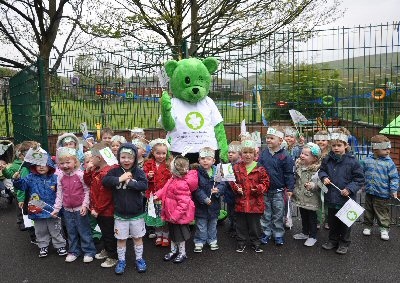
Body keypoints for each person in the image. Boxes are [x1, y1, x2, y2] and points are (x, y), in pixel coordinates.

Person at [102, 143, 148, 275]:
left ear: (134, 159)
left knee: (137, 238)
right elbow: (106, 182)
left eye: (129, 157)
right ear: (118, 157)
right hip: (120, 214)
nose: (126, 160)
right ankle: (121, 260)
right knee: (121, 239)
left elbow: (144, 185)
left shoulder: (138, 172)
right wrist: (120, 179)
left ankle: (139, 259)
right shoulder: (114, 171)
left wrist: (131, 183)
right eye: (123, 157)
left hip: (137, 214)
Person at [319, 127, 364, 255]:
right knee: (332, 222)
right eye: (333, 145)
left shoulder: (352, 161)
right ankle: (332, 240)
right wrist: (324, 177)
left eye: (339, 145)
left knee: (345, 223)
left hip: (345, 199)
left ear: (346, 145)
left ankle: (344, 243)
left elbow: (359, 179)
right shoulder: (327, 159)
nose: (336, 148)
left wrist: (350, 189)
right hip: (332, 198)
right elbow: (322, 170)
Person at [13, 155, 67, 258]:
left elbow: (62, 192)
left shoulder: (55, 178)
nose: (41, 167)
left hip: (52, 209)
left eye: (44, 165)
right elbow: (22, 186)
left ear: (49, 165)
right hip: (37, 208)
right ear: (34, 166)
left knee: (55, 229)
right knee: (40, 230)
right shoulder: (30, 177)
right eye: (38, 165)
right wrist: (17, 180)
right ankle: (43, 246)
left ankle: (60, 245)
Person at [51, 147, 97, 263]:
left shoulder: (80, 175)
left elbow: (87, 191)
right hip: (67, 210)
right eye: (62, 163)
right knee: (71, 231)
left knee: (84, 230)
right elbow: (60, 193)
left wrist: (85, 205)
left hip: (80, 208)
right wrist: (57, 208)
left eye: (68, 162)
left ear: (75, 162)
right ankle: (73, 251)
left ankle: (89, 251)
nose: (65, 165)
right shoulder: (60, 177)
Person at [154, 155, 198, 263]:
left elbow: (184, 203)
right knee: (173, 234)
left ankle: (182, 253)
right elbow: (165, 189)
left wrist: (175, 216)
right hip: (171, 213)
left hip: (177, 216)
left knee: (180, 236)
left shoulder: (181, 184)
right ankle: (174, 251)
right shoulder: (173, 179)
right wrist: (157, 195)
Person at [230, 139, 269, 252]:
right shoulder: (236, 167)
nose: (247, 155)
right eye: (245, 152)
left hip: (255, 203)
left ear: (255, 154)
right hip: (241, 202)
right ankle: (241, 242)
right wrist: (236, 188)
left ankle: (256, 242)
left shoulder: (260, 168)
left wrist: (257, 189)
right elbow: (232, 181)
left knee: (255, 226)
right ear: (241, 154)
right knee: (240, 225)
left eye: (250, 152)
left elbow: (265, 183)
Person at [84, 143, 119, 268]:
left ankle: (113, 256)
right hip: (99, 210)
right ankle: (107, 250)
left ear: (99, 158)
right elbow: (88, 183)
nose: (90, 160)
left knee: (109, 234)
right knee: (104, 232)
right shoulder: (97, 170)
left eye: (92, 157)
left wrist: (97, 209)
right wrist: (88, 172)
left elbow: (106, 196)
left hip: (106, 211)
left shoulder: (106, 173)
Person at [258, 127, 294, 246]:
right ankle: (266, 232)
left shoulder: (285, 156)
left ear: (280, 140)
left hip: (279, 191)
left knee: (278, 213)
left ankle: (278, 234)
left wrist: (289, 188)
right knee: (265, 213)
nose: (268, 140)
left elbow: (289, 173)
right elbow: (259, 169)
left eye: (271, 138)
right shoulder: (264, 154)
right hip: (265, 190)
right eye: (267, 138)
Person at [361, 134, 399, 241]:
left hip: (382, 193)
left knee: (382, 212)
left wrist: (394, 189)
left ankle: (384, 229)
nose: (388, 151)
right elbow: (361, 173)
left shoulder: (389, 163)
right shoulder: (367, 160)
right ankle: (367, 226)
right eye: (385, 148)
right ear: (375, 149)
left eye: (389, 148)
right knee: (368, 210)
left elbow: (394, 178)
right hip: (369, 191)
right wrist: (361, 184)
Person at [2, 141, 38, 243]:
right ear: (21, 155)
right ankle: (33, 236)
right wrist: (21, 198)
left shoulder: (34, 165)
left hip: (34, 195)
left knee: (36, 213)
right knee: (28, 214)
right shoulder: (21, 167)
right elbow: (21, 186)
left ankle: (39, 234)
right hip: (24, 195)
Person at [193, 147, 225, 253]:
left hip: (214, 204)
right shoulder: (196, 173)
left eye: (208, 158)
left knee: (213, 224)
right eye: (202, 158)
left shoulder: (217, 172)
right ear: (199, 160)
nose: (205, 161)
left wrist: (218, 190)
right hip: (201, 204)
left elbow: (222, 184)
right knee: (201, 224)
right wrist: (204, 198)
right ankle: (199, 241)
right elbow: (196, 188)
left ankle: (212, 240)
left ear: (213, 161)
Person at [291, 142, 322, 247]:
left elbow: (320, 183)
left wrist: (313, 185)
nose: (302, 155)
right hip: (300, 195)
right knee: (303, 215)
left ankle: (313, 236)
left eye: (306, 154)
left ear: (314, 158)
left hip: (311, 197)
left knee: (312, 218)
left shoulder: (317, 170)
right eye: (302, 153)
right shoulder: (299, 165)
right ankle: (305, 232)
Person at [143, 139, 172, 247]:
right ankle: (158, 234)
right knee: (155, 216)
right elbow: (143, 177)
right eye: (158, 153)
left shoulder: (169, 164)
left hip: (164, 196)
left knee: (164, 217)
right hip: (152, 195)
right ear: (153, 153)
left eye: (163, 153)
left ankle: (165, 235)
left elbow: (171, 180)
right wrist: (147, 176)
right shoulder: (148, 163)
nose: (161, 156)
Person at [314, 130, 331, 229]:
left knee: (328, 202)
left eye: (324, 140)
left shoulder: (330, 153)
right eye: (318, 140)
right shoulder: (314, 152)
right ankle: (318, 220)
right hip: (316, 181)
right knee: (317, 201)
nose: (321, 142)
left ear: (328, 141)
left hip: (327, 180)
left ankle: (328, 221)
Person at [224, 141, 241, 237]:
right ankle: (232, 226)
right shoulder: (228, 165)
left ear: (239, 154)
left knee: (236, 214)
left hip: (236, 194)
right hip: (229, 194)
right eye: (229, 152)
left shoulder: (240, 166)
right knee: (230, 212)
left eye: (233, 153)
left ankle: (236, 229)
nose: (230, 154)